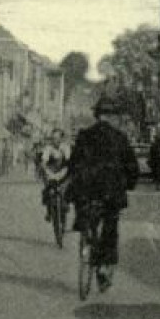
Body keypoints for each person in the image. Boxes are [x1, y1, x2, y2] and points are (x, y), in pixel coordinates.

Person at [67, 96, 139, 291]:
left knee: (84, 214)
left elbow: (73, 164)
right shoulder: (120, 138)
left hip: (86, 192)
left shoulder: (84, 135)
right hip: (110, 193)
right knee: (110, 228)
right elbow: (132, 167)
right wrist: (130, 184)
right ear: (113, 116)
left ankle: (86, 239)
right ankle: (105, 268)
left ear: (97, 115)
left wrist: (74, 183)